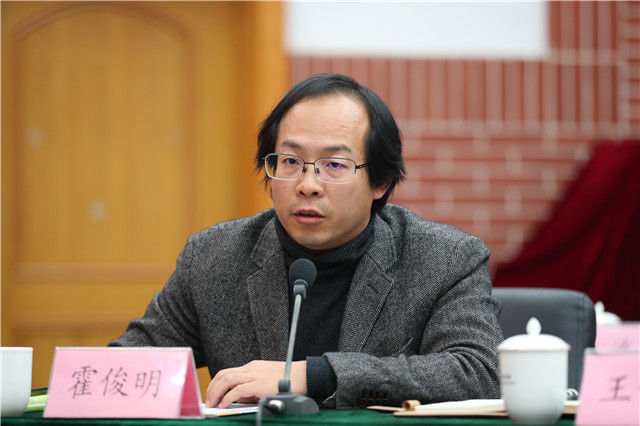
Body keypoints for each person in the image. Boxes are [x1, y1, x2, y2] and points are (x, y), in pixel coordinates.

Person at [109, 73, 503, 409]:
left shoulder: (445, 259)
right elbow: (124, 369)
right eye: (291, 161)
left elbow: (482, 373)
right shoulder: (214, 258)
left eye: (334, 165)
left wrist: (314, 375)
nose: (307, 184)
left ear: (381, 181)